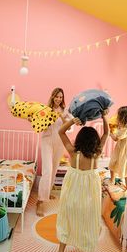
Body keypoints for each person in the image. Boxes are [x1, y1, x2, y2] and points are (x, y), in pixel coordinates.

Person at [53, 111, 109, 252]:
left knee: (66, 221)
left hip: (72, 198)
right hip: (88, 201)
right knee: (89, 227)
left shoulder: (72, 153)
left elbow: (60, 132)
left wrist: (73, 121)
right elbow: (106, 133)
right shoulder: (96, 154)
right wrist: (104, 116)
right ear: (95, 142)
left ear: (79, 139)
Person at [36, 88, 71, 217]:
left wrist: (62, 116)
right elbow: (38, 124)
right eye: (56, 96)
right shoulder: (45, 110)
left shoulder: (65, 111)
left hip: (59, 142)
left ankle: (47, 192)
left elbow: (70, 126)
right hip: (47, 141)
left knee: (54, 169)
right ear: (52, 97)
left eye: (61, 97)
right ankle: (40, 201)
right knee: (47, 171)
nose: (58, 99)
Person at [109, 106, 127, 190]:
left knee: (126, 169)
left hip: (125, 151)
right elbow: (118, 132)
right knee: (113, 163)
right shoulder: (124, 127)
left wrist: (110, 133)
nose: (117, 118)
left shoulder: (126, 129)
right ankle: (112, 180)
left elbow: (115, 138)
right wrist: (115, 128)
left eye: (118, 116)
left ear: (122, 118)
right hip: (120, 149)